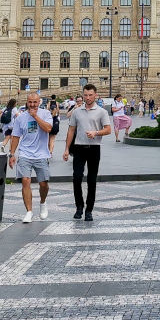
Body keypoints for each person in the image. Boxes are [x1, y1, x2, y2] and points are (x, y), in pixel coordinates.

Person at [62, 83, 112, 221]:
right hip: (78, 147)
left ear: (95, 95)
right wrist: (66, 149)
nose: (88, 98)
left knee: (92, 180)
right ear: (82, 95)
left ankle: (89, 210)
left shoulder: (102, 111)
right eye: (85, 95)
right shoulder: (77, 111)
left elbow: (108, 129)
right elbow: (71, 130)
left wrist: (96, 132)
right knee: (76, 178)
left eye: (90, 95)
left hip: (94, 148)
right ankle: (79, 207)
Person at [8, 92, 53, 223]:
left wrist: (35, 116)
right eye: (30, 102)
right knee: (25, 181)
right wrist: (12, 154)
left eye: (35, 102)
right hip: (25, 154)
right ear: (27, 102)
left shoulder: (46, 114)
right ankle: (29, 211)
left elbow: (48, 128)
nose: (32, 105)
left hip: (41, 154)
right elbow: (15, 137)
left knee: (43, 184)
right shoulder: (20, 118)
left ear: (39, 102)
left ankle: (43, 202)